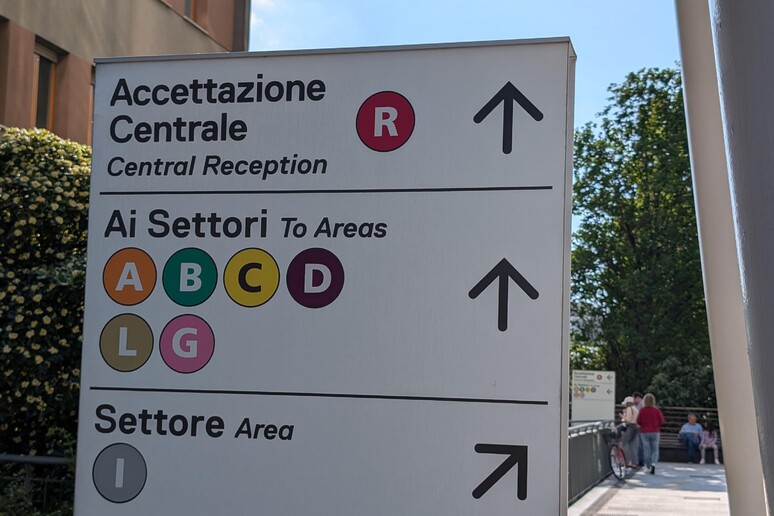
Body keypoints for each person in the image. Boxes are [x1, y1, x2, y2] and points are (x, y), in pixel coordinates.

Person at [636, 393, 665, 474]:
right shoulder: (656, 410)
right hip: (655, 431)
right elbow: (662, 421)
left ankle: (648, 465)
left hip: (644, 431)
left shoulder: (642, 410)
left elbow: (638, 421)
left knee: (646, 449)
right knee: (655, 449)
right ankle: (653, 463)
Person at [619, 396, 640, 468]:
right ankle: (634, 462)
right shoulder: (635, 408)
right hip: (636, 427)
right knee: (633, 445)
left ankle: (626, 460)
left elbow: (628, 420)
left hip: (629, 427)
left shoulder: (629, 408)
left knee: (624, 443)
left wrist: (622, 416)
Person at [632, 391, 645, 465]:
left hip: (641, 427)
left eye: (634, 398)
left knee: (640, 444)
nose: (633, 400)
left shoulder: (641, 405)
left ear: (637, 398)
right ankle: (640, 459)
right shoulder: (641, 404)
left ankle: (640, 460)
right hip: (641, 426)